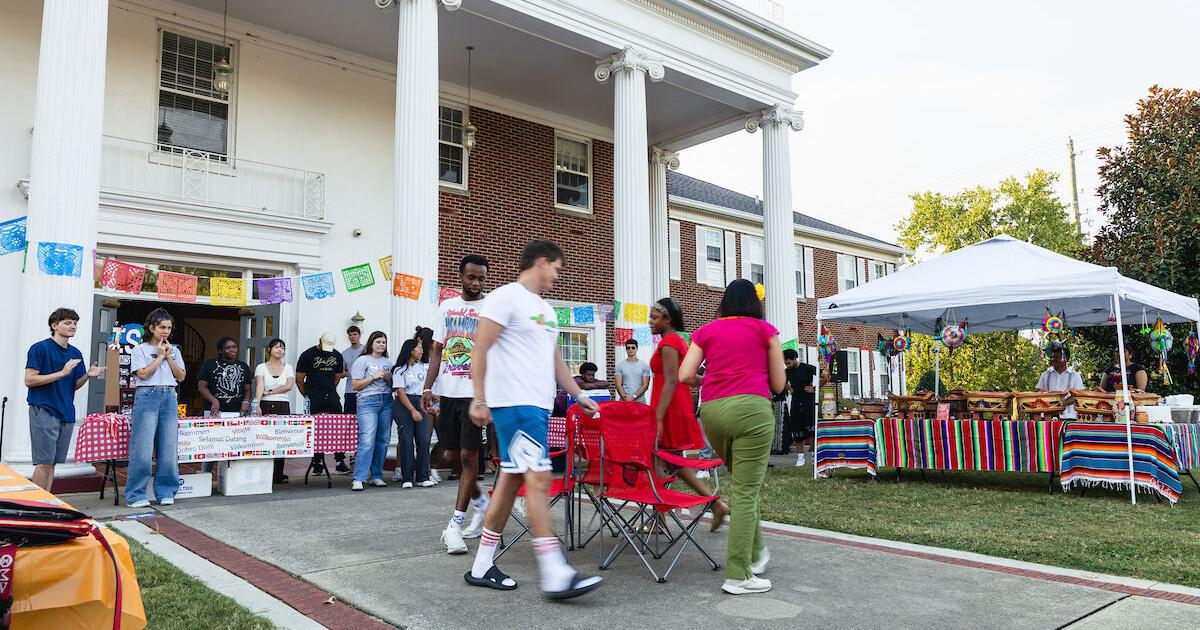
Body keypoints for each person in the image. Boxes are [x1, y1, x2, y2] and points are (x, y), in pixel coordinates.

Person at [464, 239, 603, 599]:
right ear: (541, 262)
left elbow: (555, 360)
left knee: (510, 483)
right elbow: (480, 348)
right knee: (539, 480)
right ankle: (555, 571)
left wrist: (580, 394)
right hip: (514, 404)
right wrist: (479, 398)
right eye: (556, 268)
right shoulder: (505, 297)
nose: (557, 276)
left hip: (537, 406)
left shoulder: (545, 310)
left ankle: (481, 565)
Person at [680, 278, 786, 595]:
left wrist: (710, 378)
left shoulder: (706, 331)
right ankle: (738, 575)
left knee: (741, 486)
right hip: (752, 410)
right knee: (746, 492)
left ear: (724, 302)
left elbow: (685, 375)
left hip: (713, 413)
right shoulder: (765, 330)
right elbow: (779, 384)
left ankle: (755, 554)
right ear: (755, 303)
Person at [422, 255, 491, 553]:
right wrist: (428, 386)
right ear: (461, 276)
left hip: (476, 395)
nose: (476, 283)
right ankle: (481, 500)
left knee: (468, 457)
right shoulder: (446, 307)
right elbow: (437, 350)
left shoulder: (491, 308)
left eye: (481, 278)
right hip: (448, 393)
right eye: (471, 277)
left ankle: (454, 526)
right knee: (448, 456)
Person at [648, 298, 729, 530]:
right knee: (672, 464)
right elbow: (688, 377)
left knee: (658, 460)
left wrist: (659, 418)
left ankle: (659, 519)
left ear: (668, 319)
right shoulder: (675, 341)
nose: (650, 321)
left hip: (669, 407)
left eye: (654, 317)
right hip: (673, 404)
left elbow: (672, 381)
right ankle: (715, 505)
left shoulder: (670, 342)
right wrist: (711, 381)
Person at [23, 307, 103, 490]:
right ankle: (36, 507)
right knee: (43, 462)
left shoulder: (75, 353)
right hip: (44, 409)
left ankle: (47, 502)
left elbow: (74, 384)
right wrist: (62, 372)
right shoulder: (40, 348)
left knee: (52, 463)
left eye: (75, 323)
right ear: (54, 325)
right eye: (68, 322)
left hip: (66, 412)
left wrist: (88, 375)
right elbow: (29, 379)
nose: (73, 326)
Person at [125, 308, 187, 508]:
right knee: (142, 448)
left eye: (169, 328)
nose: (165, 331)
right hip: (147, 394)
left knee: (168, 446)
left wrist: (169, 357)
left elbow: (181, 376)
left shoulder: (174, 350)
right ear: (151, 328)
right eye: (162, 327)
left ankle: (167, 491)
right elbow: (142, 374)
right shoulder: (140, 349)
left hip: (169, 395)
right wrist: (159, 357)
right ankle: (136, 494)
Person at [296, 332, 349, 474]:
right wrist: (307, 395)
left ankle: (339, 459)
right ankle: (317, 461)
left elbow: (337, 377)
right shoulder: (307, 355)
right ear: (319, 340)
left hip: (331, 393)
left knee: (338, 426)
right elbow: (299, 378)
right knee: (316, 428)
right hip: (314, 393)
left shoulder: (337, 355)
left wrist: (330, 388)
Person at [350, 331, 393, 491]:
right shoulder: (362, 360)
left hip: (387, 401)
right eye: (378, 342)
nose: (381, 345)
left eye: (384, 342)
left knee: (383, 440)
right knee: (367, 439)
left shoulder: (388, 361)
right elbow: (355, 385)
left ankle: (376, 475)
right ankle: (358, 478)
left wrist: (389, 379)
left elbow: (393, 385)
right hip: (368, 401)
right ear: (371, 343)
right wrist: (373, 377)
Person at [392, 336, 434, 488]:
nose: (422, 351)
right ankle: (407, 478)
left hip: (420, 402)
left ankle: (423, 476)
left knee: (423, 439)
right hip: (404, 404)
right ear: (411, 350)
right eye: (419, 349)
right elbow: (401, 393)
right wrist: (412, 410)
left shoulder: (422, 367)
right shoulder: (399, 369)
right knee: (406, 441)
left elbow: (427, 388)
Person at [255, 338, 295, 483]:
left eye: (282, 348)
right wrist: (257, 404)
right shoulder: (261, 367)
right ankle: (265, 473)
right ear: (269, 350)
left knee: (281, 438)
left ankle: (278, 473)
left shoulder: (288, 367)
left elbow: (289, 385)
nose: (279, 350)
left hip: (283, 404)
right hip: (266, 404)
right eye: (276, 347)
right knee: (265, 437)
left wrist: (270, 391)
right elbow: (260, 386)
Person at [197, 337, 252, 417]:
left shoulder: (243, 366)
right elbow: (201, 387)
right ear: (220, 351)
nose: (232, 350)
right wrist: (214, 401)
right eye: (228, 348)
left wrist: (245, 402)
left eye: (234, 347)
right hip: (213, 411)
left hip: (237, 411)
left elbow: (248, 390)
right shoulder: (210, 364)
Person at [783, 348, 818, 466]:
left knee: (811, 429)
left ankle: (814, 456)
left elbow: (824, 376)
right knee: (797, 429)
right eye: (785, 363)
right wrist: (790, 388)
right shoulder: (787, 371)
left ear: (794, 359)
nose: (787, 365)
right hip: (796, 401)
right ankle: (800, 457)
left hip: (808, 400)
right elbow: (782, 381)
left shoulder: (807, 368)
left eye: (788, 363)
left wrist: (815, 388)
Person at [1034, 342, 1083, 419]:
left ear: (1065, 359)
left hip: (1069, 417)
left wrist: (1060, 404)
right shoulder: (1045, 375)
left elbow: (1079, 396)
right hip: (1047, 416)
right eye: (1052, 357)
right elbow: (1037, 392)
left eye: (1056, 357)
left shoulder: (1075, 376)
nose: (1053, 359)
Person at [615, 339, 651, 403]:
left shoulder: (644, 365)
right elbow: (618, 385)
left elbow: (645, 385)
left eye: (633, 347)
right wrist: (625, 397)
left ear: (637, 349)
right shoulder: (619, 365)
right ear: (626, 349)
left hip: (640, 401)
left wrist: (634, 396)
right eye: (628, 348)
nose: (630, 349)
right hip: (624, 401)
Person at [341, 325, 364, 415]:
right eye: (350, 335)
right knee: (349, 417)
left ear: (359, 335)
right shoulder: (344, 353)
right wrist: (348, 373)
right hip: (350, 390)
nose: (353, 337)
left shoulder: (366, 350)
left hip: (364, 390)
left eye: (355, 334)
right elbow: (341, 372)